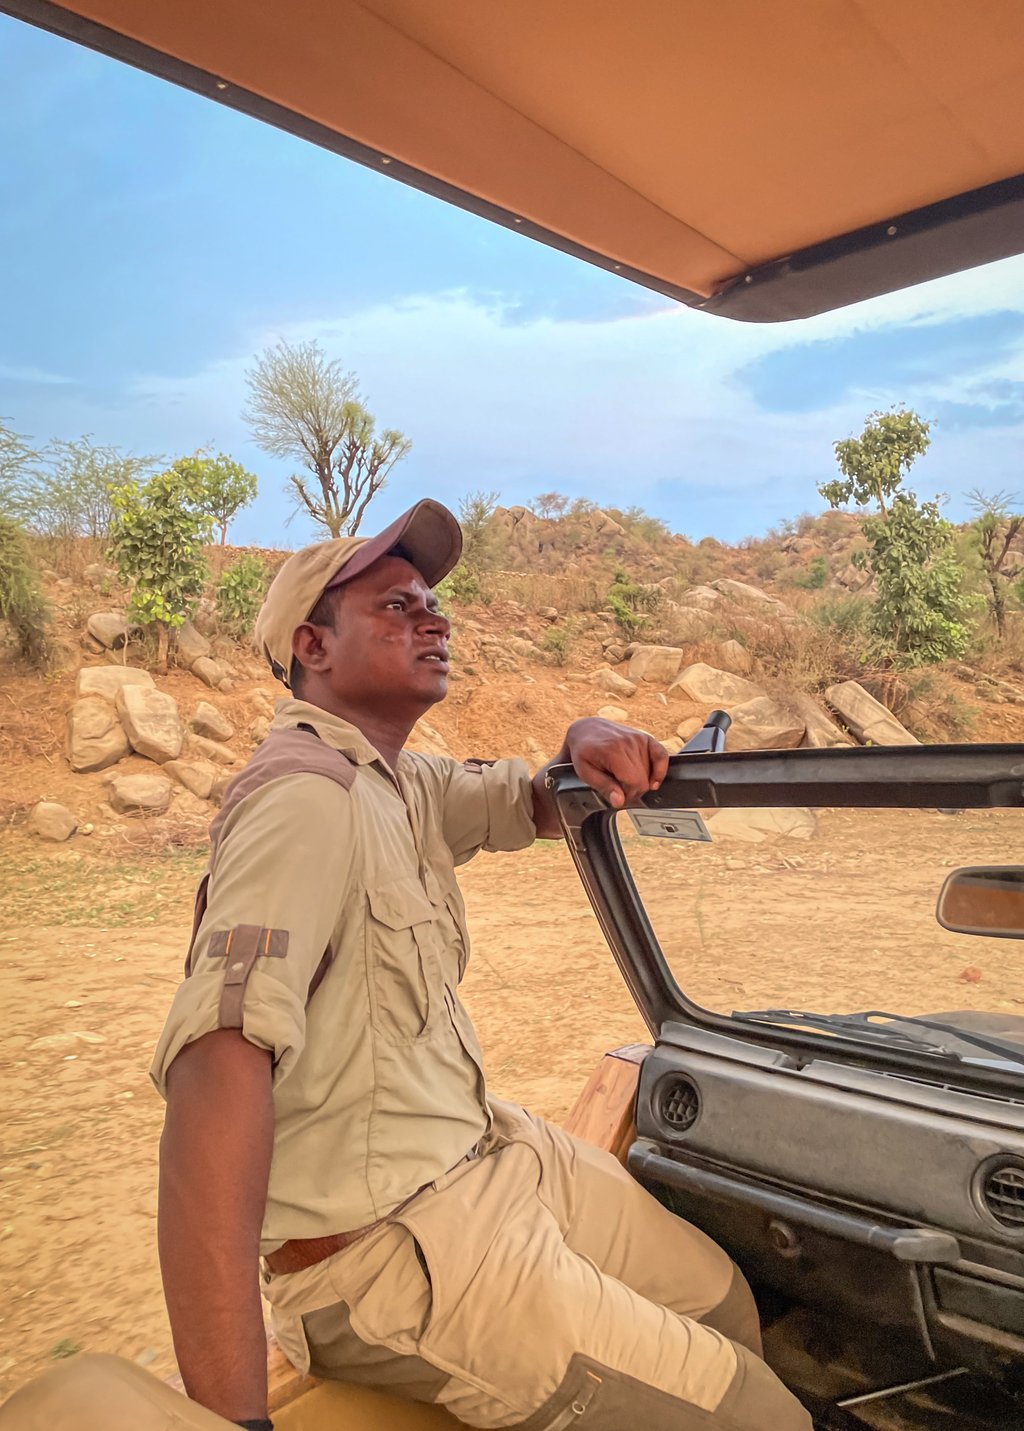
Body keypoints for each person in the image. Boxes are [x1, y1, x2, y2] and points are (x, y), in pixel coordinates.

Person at [150, 499, 812, 1431]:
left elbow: (532, 802)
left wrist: (582, 731)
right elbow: (212, 1084)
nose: (434, 618)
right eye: (395, 606)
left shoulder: (400, 779)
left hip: (487, 1153)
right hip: (386, 1247)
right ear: (314, 645)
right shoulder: (303, 799)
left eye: (432, 602)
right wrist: (232, 1418)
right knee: (759, 1416)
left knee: (720, 1298)